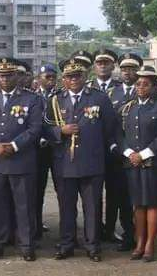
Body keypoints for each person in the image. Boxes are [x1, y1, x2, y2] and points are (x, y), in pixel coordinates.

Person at [44, 58, 116, 262]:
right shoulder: (55, 100)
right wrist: (61, 131)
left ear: (85, 77)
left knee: (92, 207)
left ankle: (93, 245)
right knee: (66, 206)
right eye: (69, 76)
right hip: (64, 162)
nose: (73, 79)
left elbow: (110, 127)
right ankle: (67, 243)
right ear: (64, 79)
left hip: (91, 161)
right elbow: (45, 128)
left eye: (77, 76)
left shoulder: (99, 98)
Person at [0, 58, 43, 261]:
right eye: (1, 75)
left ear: (17, 76)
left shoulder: (31, 99)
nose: (5, 79)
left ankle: (26, 244)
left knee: (24, 205)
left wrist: (14, 145)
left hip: (21, 160)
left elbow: (35, 128)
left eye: (9, 75)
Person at [116, 66, 157, 262]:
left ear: (154, 86)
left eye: (145, 84)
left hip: (153, 164)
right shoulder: (128, 107)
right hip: (132, 163)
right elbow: (119, 134)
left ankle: (150, 244)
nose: (140, 87)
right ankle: (139, 242)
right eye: (138, 83)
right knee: (137, 204)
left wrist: (145, 154)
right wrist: (130, 153)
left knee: (153, 204)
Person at [104, 53, 143, 251]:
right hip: (116, 154)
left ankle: (131, 236)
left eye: (132, 69)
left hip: (138, 155)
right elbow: (108, 123)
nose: (128, 72)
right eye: (125, 68)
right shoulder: (112, 93)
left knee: (132, 199)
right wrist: (113, 146)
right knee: (113, 196)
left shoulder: (144, 91)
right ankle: (108, 231)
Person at [35, 64, 58, 240]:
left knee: (63, 189)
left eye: (52, 77)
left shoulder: (61, 96)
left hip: (58, 149)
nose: (50, 80)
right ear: (39, 78)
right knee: (37, 190)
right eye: (46, 77)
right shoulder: (32, 97)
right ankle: (36, 224)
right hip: (38, 150)